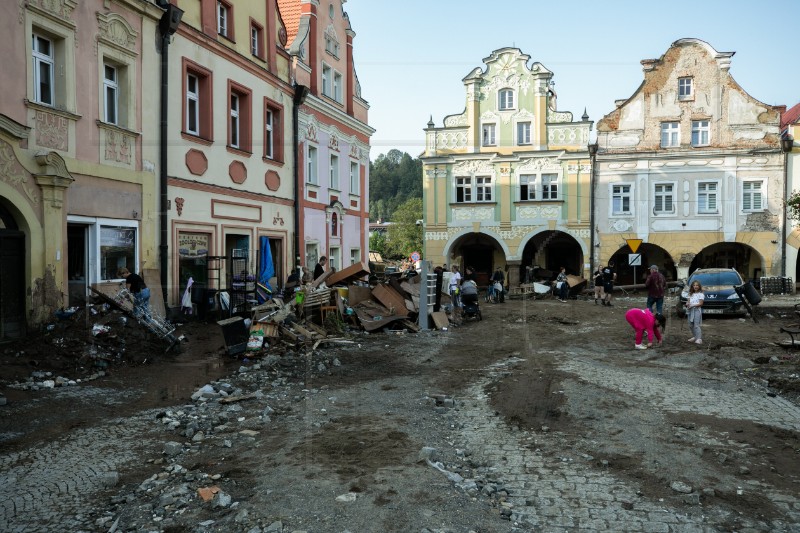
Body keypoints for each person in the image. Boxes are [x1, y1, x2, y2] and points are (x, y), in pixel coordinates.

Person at [685, 280, 705, 345]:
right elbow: (688, 302)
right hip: (690, 311)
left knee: (696, 325)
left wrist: (692, 305)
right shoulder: (690, 294)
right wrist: (687, 304)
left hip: (696, 311)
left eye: (697, 285)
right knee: (690, 325)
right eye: (694, 285)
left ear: (699, 286)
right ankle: (695, 336)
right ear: (692, 286)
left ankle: (699, 339)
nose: (695, 286)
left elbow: (701, 303)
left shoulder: (701, 294)